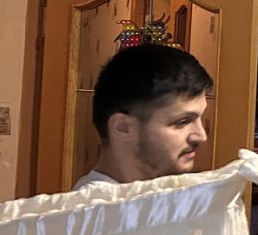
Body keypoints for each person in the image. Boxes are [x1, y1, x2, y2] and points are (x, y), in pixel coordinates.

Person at [75, 44, 214, 188]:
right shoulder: (97, 202)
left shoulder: (165, 195)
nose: (201, 136)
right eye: (183, 121)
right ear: (123, 127)